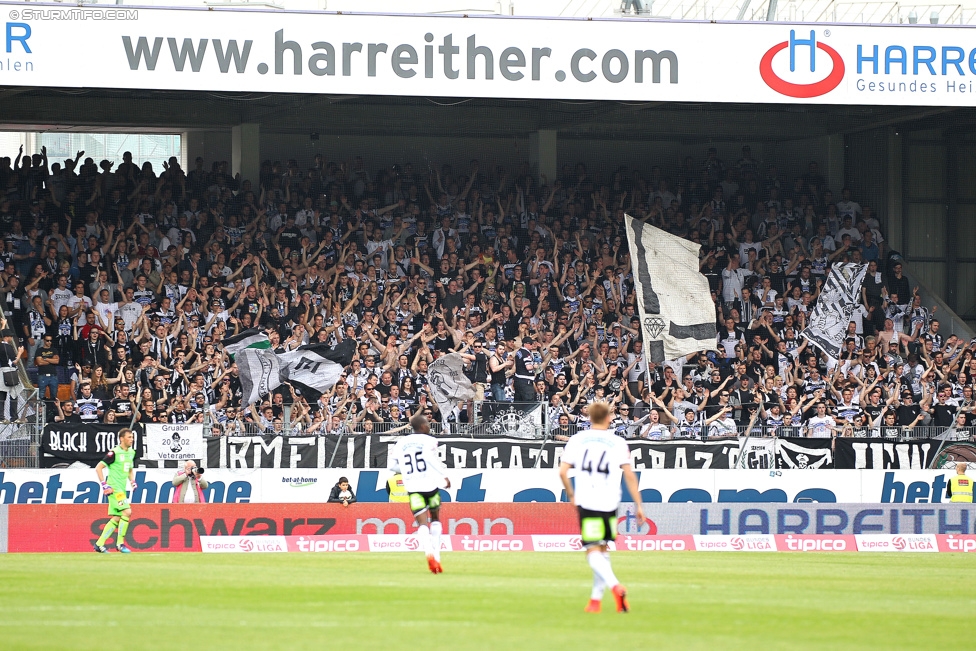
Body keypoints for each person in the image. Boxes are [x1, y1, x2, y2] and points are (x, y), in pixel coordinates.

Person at [558, 401, 645, 614]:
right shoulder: (617, 442)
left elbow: (562, 472)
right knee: (603, 549)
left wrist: (571, 494)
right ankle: (595, 601)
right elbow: (630, 475)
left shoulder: (577, 439)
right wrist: (638, 504)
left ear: (589, 418)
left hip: (588, 500)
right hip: (610, 501)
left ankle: (616, 586)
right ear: (608, 418)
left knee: (592, 552)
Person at [387, 414, 451, 574]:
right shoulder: (429, 440)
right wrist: (443, 475)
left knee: (422, 523)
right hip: (430, 485)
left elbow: (392, 466)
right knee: (435, 518)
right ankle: (436, 556)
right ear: (422, 427)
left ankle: (428, 552)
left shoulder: (401, 443)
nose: (429, 426)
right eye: (427, 424)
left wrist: (408, 471)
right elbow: (429, 458)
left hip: (413, 487)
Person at [93, 428, 137, 553]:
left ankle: (99, 544)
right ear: (121, 439)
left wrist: (132, 481)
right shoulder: (114, 453)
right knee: (127, 512)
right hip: (114, 488)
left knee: (118, 517)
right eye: (129, 437)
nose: (131, 439)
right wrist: (104, 485)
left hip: (122, 489)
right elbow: (98, 468)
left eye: (132, 437)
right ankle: (120, 544)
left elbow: (129, 469)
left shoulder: (131, 452)